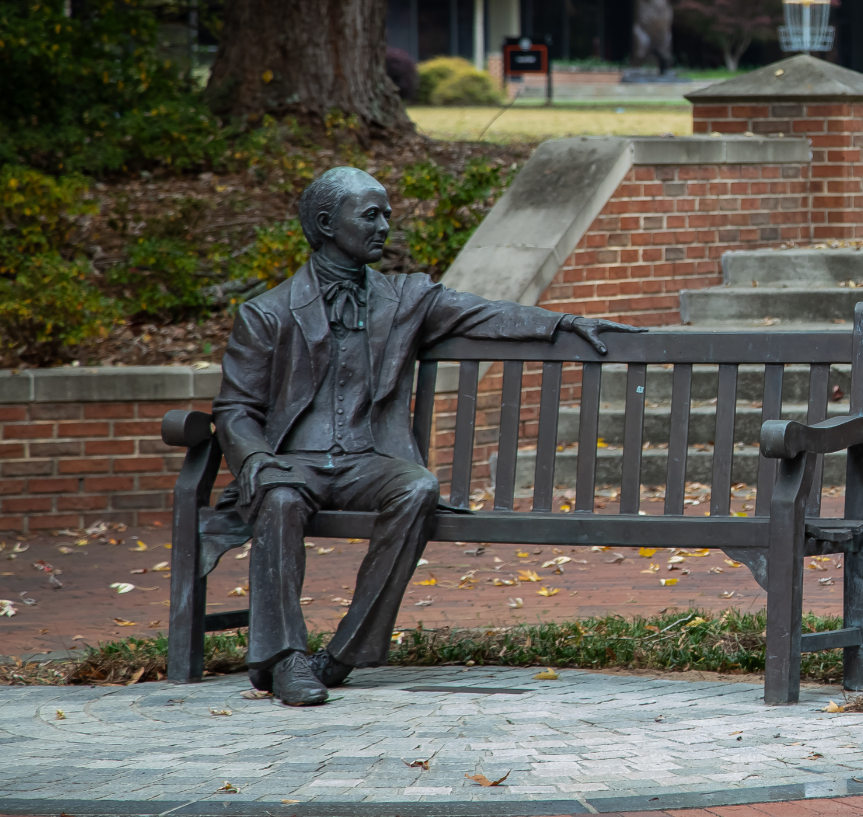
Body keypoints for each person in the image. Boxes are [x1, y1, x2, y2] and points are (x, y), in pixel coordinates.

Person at [210, 166, 641, 706]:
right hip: (293, 462)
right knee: (276, 500)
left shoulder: (403, 299)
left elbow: (485, 314)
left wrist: (564, 323)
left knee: (416, 487)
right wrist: (255, 459)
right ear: (325, 224)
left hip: (368, 460)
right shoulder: (267, 313)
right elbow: (235, 409)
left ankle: (343, 654)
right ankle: (285, 659)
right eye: (371, 214)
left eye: (387, 213)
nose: (385, 225)